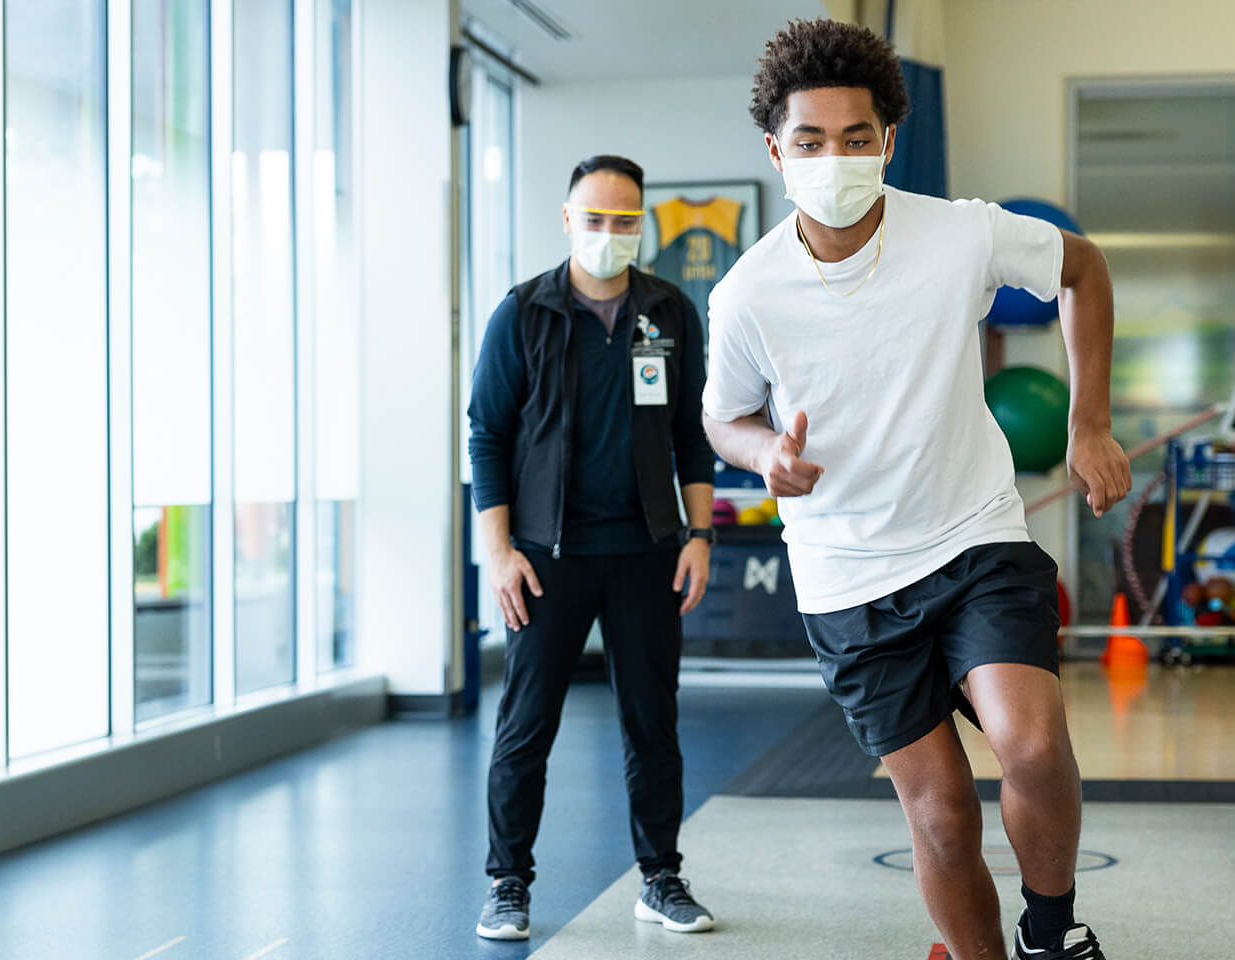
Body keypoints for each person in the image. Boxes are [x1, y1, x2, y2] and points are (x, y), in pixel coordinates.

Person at [701, 20, 1130, 960]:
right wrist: (765, 452)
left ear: (887, 141)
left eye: (857, 138)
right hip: (847, 575)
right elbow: (722, 418)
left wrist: (1086, 422)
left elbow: (1081, 268)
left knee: (1030, 742)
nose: (835, 157)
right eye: (811, 141)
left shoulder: (959, 232)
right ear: (777, 152)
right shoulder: (746, 295)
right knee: (939, 814)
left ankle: (1051, 936)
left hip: (973, 535)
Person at [467, 155, 720, 941]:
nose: (609, 233)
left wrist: (701, 534)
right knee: (526, 724)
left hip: (647, 550)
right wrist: (500, 553)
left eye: (625, 220)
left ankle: (660, 877)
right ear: (568, 219)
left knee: (653, 721)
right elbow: (488, 434)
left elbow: (690, 435)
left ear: (641, 223)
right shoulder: (523, 313)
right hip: (547, 559)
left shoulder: (670, 313)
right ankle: (509, 884)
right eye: (595, 218)